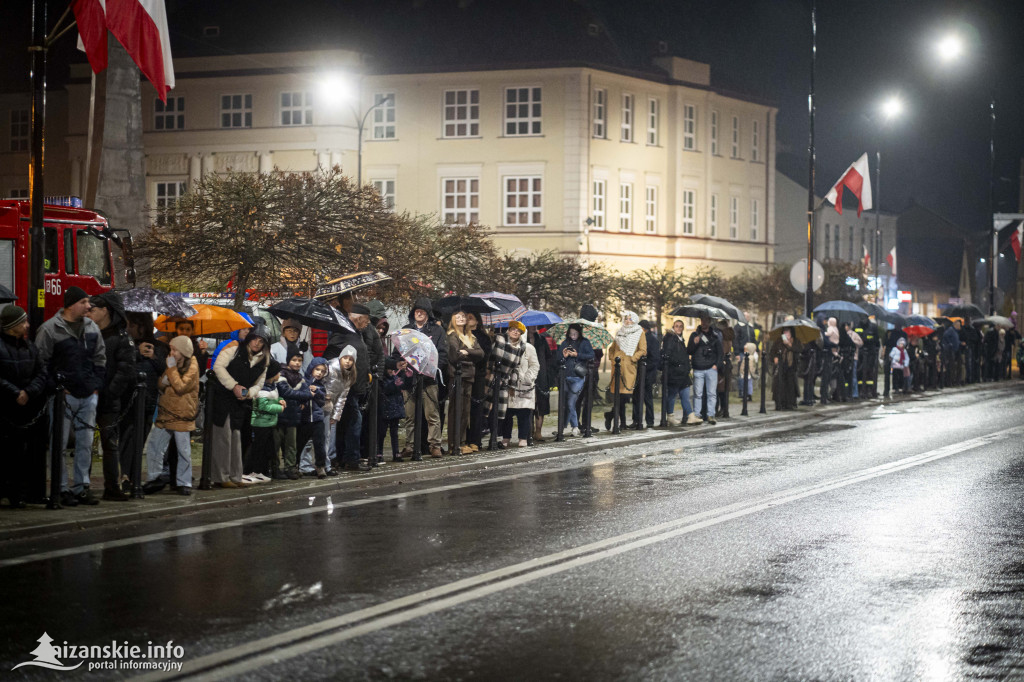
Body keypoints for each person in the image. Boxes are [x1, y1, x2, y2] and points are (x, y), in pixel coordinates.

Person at [36, 286, 106, 507]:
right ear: (71, 304)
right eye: (84, 302)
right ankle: (61, 487)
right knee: (59, 443)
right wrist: (56, 387)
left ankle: (81, 487)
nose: (89, 306)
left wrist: (95, 386)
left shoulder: (91, 327)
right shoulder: (49, 329)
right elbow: (41, 363)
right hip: (62, 396)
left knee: (84, 443)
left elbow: (100, 358)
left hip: (86, 393)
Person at [87, 292, 137, 501]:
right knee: (85, 442)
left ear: (105, 311)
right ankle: (82, 485)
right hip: (89, 394)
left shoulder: (120, 337)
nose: (89, 312)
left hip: (107, 398)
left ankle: (111, 486)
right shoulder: (88, 332)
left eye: (93, 309)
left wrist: (109, 392)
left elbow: (125, 370)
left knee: (110, 444)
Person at [209, 325, 271, 487]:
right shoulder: (235, 349)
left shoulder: (264, 359)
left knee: (236, 438)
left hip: (240, 402)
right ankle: (221, 476)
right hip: (223, 399)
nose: (257, 343)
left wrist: (248, 393)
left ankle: (235, 475)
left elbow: (260, 383)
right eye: (255, 339)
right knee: (223, 438)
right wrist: (234, 385)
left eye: (261, 341)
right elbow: (218, 367)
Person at [0, 305, 48, 507]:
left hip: (28, 410)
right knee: (8, 454)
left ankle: (24, 493)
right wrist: (15, 392)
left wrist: (28, 392)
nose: (27, 325)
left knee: (27, 454)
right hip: (6, 410)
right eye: (23, 322)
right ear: (12, 326)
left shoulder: (30, 347)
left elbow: (42, 372)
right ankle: (9, 492)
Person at [145, 335, 199, 495]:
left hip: (182, 414)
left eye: (175, 349)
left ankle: (184, 482)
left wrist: (171, 370)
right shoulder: (172, 364)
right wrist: (166, 378)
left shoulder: (192, 364)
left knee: (183, 450)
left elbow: (181, 387)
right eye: (171, 349)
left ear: (183, 351)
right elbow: (161, 385)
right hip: (166, 411)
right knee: (155, 446)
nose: (172, 352)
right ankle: (154, 478)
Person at [398, 298, 447, 457]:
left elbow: (443, 354)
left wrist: (433, 368)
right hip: (409, 378)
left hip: (428, 378)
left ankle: (435, 445)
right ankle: (410, 445)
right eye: (416, 310)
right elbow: (397, 353)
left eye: (422, 311)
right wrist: (399, 364)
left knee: (432, 414)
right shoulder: (406, 330)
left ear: (427, 313)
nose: (419, 313)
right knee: (409, 416)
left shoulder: (437, 331)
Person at [125, 312, 168, 492]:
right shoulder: (126, 344)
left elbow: (164, 371)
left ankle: (133, 478)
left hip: (148, 400)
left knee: (139, 440)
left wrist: (153, 357)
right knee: (126, 441)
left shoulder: (158, 346)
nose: (129, 329)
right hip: (127, 401)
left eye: (132, 325)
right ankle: (125, 477)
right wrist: (136, 352)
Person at [446, 311, 485, 454]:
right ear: (453, 320)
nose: (461, 319)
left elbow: (480, 353)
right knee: (456, 410)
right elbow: (455, 355)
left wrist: (467, 352)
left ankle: (462, 442)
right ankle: (454, 444)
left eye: (463, 317)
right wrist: (469, 355)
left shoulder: (471, 337)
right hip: (457, 377)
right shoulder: (452, 335)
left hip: (469, 376)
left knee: (465, 412)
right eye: (458, 317)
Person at [497, 321, 539, 448]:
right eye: (512, 329)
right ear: (508, 331)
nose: (515, 332)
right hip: (507, 385)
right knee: (507, 414)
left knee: (524, 414)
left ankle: (523, 437)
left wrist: (528, 378)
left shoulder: (528, 348)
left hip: (524, 386)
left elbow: (535, 365)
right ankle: (506, 437)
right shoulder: (503, 346)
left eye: (518, 330)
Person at [603, 311, 647, 430]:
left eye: (630, 319)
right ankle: (621, 423)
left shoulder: (639, 332)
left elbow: (643, 350)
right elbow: (612, 349)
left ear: (634, 320)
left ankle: (611, 415)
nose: (627, 321)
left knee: (625, 397)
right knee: (618, 396)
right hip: (617, 368)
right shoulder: (620, 331)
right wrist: (612, 359)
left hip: (629, 368)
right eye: (626, 318)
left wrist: (633, 358)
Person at [328, 346, 367, 471]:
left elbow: (342, 397)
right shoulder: (331, 368)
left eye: (351, 359)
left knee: (331, 432)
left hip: (333, 406)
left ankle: (330, 460)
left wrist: (336, 415)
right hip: (322, 403)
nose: (347, 361)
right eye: (345, 358)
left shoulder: (350, 375)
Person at [247, 359, 285, 483]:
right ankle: (254, 471)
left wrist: (280, 399)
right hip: (260, 423)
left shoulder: (272, 387)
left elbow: (272, 399)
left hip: (269, 423)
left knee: (267, 449)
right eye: (278, 372)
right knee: (259, 448)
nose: (280, 375)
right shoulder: (262, 389)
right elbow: (264, 406)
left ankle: (261, 471)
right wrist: (280, 408)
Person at [276, 349, 311, 479]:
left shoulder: (300, 377)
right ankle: (276, 468)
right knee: (277, 443)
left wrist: (304, 399)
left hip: (293, 416)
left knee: (291, 444)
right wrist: (306, 396)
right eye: (294, 360)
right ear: (288, 360)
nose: (297, 363)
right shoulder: (281, 374)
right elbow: (286, 392)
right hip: (281, 414)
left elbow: (304, 392)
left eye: (300, 361)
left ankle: (290, 468)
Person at [297, 356, 333, 478]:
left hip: (317, 419)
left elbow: (322, 401)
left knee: (319, 444)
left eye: (323, 371)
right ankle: (295, 466)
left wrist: (317, 391)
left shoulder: (321, 386)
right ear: (312, 368)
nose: (319, 373)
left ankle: (320, 466)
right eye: (317, 369)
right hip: (304, 419)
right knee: (299, 443)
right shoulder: (302, 382)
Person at [558, 323, 595, 437]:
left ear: (579, 333)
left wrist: (577, 354)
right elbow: (557, 358)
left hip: (577, 377)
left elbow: (591, 355)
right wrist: (564, 356)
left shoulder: (584, 342)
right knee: (565, 403)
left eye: (575, 333)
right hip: (565, 376)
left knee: (570, 402)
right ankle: (563, 427)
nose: (573, 336)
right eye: (571, 333)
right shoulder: (565, 343)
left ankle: (574, 427)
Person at [661, 319, 699, 426]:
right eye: (676, 326)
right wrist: (678, 363)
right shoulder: (670, 338)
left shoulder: (680, 339)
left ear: (683, 328)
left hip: (682, 372)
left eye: (680, 326)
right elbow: (668, 355)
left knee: (685, 395)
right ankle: (670, 417)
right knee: (672, 395)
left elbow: (684, 353)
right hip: (674, 372)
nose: (678, 328)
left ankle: (691, 416)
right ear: (673, 327)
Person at [687, 314, 721, 425]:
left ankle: (711, 415)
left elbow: (720, 353)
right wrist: (694, 343)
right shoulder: (695, 335)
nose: (704, 322)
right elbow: (689, 351)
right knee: (698, 393)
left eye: (706, 320)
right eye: (702, 320)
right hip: (698, 367)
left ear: (709, 321)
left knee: (711, 393)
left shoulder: (715, 336)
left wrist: (716, 365)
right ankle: (697, 415)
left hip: (711, 368)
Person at [466, 311, 492, 451]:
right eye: (467, 318)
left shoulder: (483, 337)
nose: (468, 320)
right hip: (464, 374)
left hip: (478, 375)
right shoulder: (462, 335)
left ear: (477, 321)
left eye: (471, 317)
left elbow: (484, 356)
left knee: (476, 409)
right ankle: (464, 439)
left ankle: (475, 440)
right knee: (464, 409)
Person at [529, 326, 555, 443]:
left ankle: (538, 431)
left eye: (535, 325)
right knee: (528, 404)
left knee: (541, 404)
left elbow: (549, 357)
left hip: (541, 375)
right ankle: (529, 431)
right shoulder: (523, 340)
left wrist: (548, 373)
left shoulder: (542, 339)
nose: (534, 327)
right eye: (531, 325)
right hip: (527, 374)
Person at [379, 357, 408, 461]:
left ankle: (396, 453)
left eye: (392, 369)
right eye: (389, 369)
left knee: (394, 433)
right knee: (382, 433)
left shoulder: (396, 377)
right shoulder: (383, 379)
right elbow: (387, 389)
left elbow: (403, 384)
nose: (391, 371)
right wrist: (397, 383)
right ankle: (379, 453)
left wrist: (405, 373)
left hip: (395, 409)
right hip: (386, 409)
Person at [633, 320, 659, 429]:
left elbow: (655, 358)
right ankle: (637, 420)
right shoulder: (640, 338)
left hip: (647, 372)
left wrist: (645, 367)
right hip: (639, 372)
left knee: (647, 397)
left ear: (643, 328)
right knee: (637, 397)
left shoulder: (652, 339)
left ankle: (649, 420)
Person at [772, 329, 800, 410]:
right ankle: (779, 403)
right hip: (781, 366)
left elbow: (798, 350)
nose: (786, 334)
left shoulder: (795, 341)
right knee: (779, 384)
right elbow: (773, 351)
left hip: (791, 367)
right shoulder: (779, 341)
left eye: (788, 332)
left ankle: (789, 403)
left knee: (790, 385)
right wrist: (775, 358)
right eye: (784, 332)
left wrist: (789, 345)